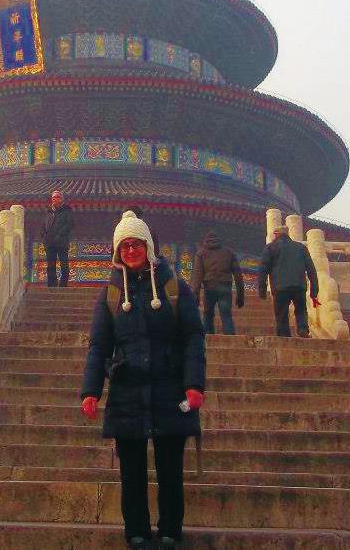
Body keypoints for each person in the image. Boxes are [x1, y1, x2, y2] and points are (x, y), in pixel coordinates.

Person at [80, 210, 206, 549]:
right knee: (131, 470)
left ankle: (169, 531)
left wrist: (194, 384)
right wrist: (91, 391)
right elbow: (99, 345)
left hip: (170, 389)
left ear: (149, 247)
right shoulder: (109, 294)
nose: (131, 251)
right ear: (117, 251)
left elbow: (193, 337)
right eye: (125, 246)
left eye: (137, 244)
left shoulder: (174, 288)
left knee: (170, 469)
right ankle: (135, 530)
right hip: (127, 391)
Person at [258, 225, 320, 337]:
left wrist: (262, 289)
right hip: (299, 286)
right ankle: (303, 329)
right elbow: (311, 269)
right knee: (301, 310)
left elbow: (263, 269)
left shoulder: (270, 248)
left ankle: (284, 335)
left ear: (276, 234)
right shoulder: (301, 248)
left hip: (280, 287)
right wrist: (314, 291)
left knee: (281, 312)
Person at [191, 231, 244, 335]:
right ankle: (230, 339)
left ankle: (207, 338)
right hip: (225, 287)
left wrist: (195, 295)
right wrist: (240, 295)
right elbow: (238, 276)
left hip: (209, 287)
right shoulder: (229, 253)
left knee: (207, 314)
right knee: (226, 315)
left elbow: (197, 276)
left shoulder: (201, 253)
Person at [41, 190, 74, 287]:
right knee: (50, 265)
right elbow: (44, 225)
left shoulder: (67, 211)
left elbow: (70, 225)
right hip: (49, 243)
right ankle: (52, 285)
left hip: (62, 243)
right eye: (52, 198)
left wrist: (59, 235)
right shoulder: (49, 211)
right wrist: (43, 237)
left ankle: (63, 285)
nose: (53, 199)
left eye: (56, 197)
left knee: (64, 264)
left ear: (61, 199)